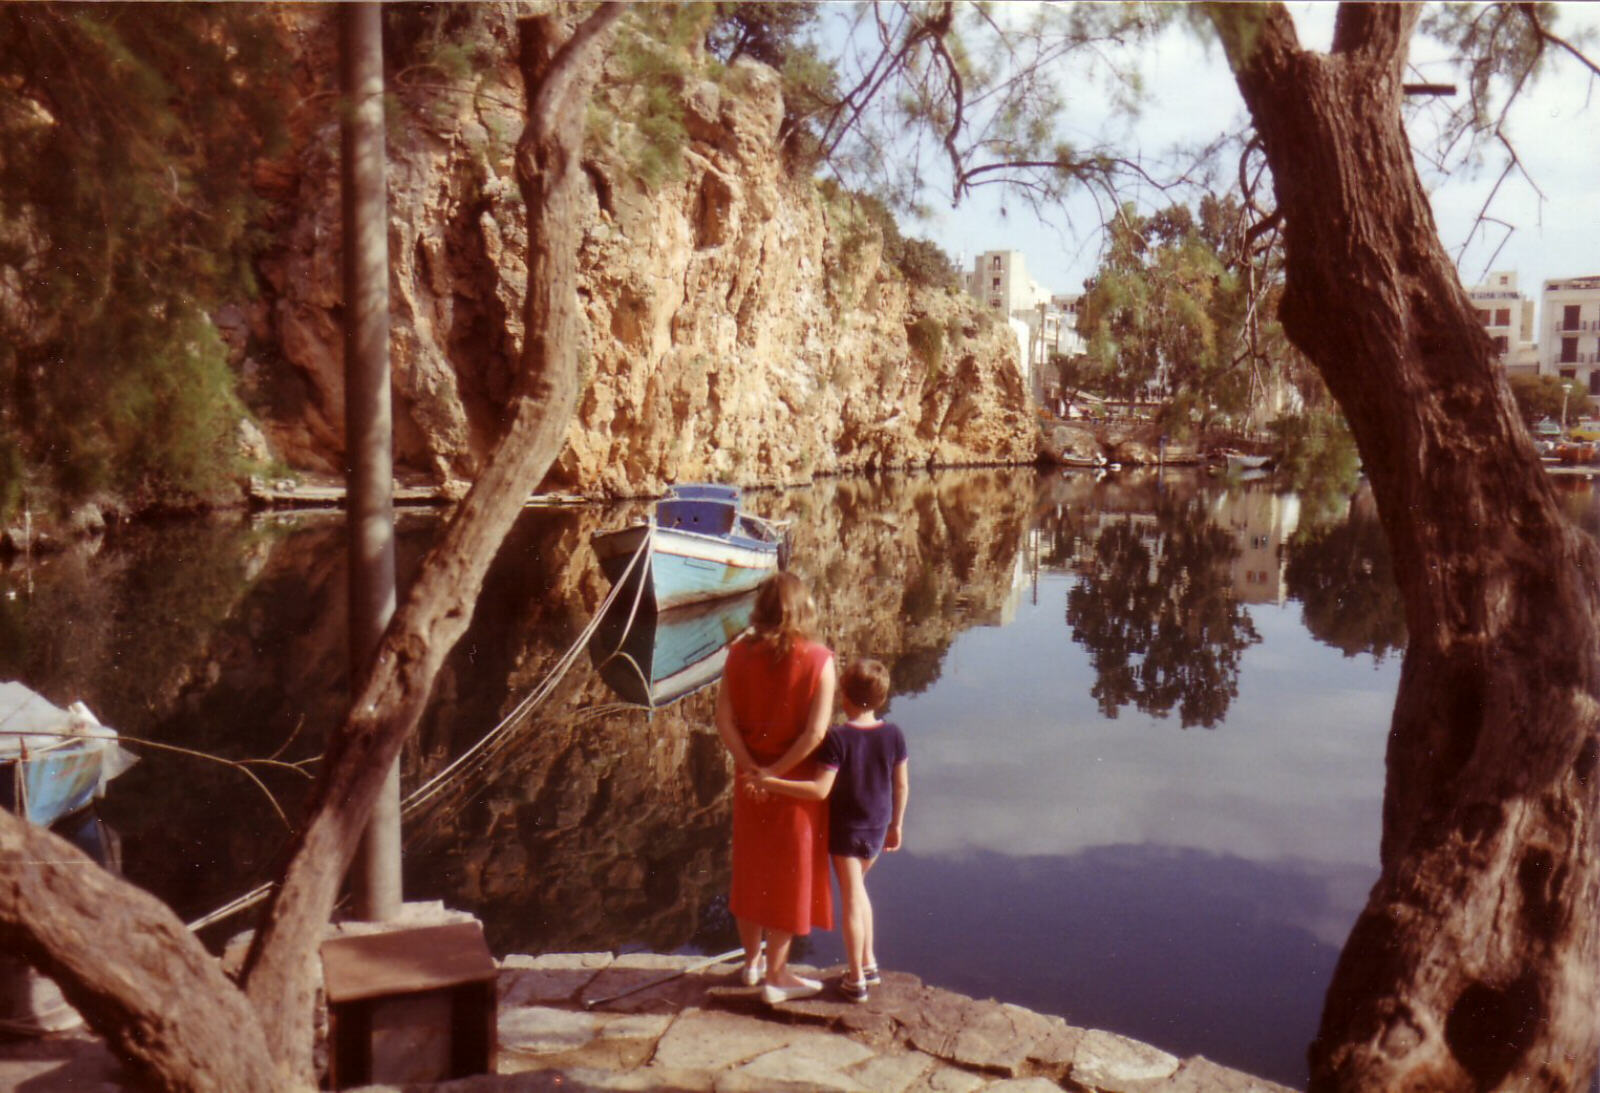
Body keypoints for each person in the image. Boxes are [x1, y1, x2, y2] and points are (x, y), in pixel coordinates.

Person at [755, 657, 909, 1003]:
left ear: (844, 698)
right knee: (859, 890)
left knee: (852, 897)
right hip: (878, 824)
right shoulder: (894, 734)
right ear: (882, 698)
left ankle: (856, 979)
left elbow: (820, 789)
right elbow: (901, 786)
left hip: (847, 828)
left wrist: (773, 783)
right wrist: (897, 824)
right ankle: (868, 962)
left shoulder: (838, 738)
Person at [715, 572, 836, 1004]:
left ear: (760, 609)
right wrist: (777, 774)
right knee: (789, 875)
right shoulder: (820, 658)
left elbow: (724, 719)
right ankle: (777, 974)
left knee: (751, 869)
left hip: (750, 782)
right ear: (805, 610)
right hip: (794, 784)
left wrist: (751, 769)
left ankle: (750, 964)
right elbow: (816, 733)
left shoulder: (737, 655)